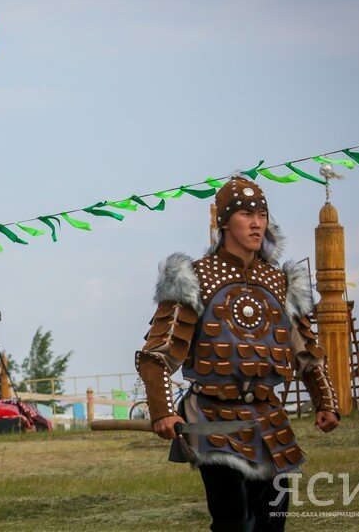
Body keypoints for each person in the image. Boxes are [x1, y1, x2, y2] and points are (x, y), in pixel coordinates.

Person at [135, 175, 339, 531]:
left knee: (272, 522)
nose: (257, 222)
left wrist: (325, 401)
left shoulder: (281, 281)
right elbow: (157, 353)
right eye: (246, 214)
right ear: (224, 222)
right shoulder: (194, 277)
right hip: (213, 419)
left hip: (269, 418)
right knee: (235, 522)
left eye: (261, 213)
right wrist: (163, 411)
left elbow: (306, 352)